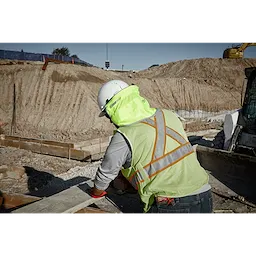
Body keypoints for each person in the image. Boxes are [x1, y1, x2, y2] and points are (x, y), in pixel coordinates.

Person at [90, 80, 213, 216]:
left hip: (171, 205)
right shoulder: (168, 115)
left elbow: (104, 176)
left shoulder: (124, 136)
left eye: (108, 115)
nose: (110, 120)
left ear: (112, 110)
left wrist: (96, 192)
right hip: (205, 195)